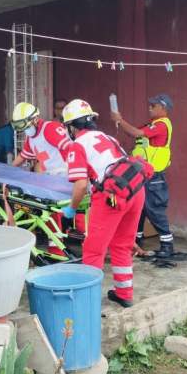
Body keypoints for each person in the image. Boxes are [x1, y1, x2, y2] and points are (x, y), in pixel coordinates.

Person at [60, 99, 148, 308]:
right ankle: (124, 293)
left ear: (72, 126)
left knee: (93, 249)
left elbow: (81, 185)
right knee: (122, 245)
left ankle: (88, 302)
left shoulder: (77, 145)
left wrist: (72, 209)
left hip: (110, 197)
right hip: (135, 190)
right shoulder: (106, 137)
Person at [111, 93, 175, 260]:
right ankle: (135, 240)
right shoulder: (153, 124)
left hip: (154, 174)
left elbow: (136, 133)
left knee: (154, 209)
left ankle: (167, 245)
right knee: (138, 208)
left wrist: (120, 120)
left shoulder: (161, 125)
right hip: (143, 173)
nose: (150, 108)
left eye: (153, 106)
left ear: (163, 108)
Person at [10, 102, 70, 176]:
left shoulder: (50, 128)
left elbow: (71, 149)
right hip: (50, 178)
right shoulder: (31, 138)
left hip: (66, 175)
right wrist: (9, 171)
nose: (25, 130)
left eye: (27, 127)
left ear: (36, 119)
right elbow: (23, 156)